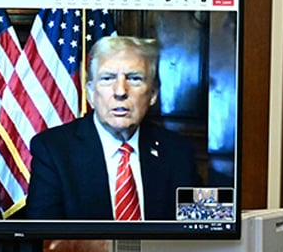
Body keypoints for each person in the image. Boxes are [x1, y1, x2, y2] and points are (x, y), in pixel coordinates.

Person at [25, 36, 200, 220]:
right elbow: (43, 238)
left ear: (153, 94)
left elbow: (200, 228)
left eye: (134, 79)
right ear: (91, 93)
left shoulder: (178, 151)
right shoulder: (53, 150)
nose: (120, 92)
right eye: (107, 78)